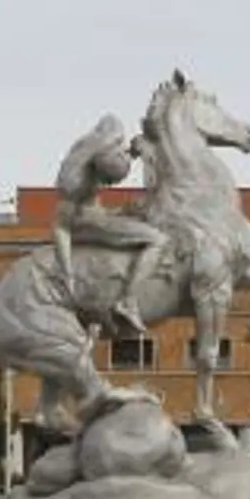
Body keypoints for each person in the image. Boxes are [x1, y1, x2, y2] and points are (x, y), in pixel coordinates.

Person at [52, 114, 169, 335]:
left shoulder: (104, 142)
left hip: (96, 214)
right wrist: (67, 273)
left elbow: (112, 126)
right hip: (80, 223)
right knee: (157, 240)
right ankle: (127, 300)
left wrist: (132, 152)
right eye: (108, 182)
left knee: (141, 215)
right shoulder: (73, 185)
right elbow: (60, 227)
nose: (108, 185)